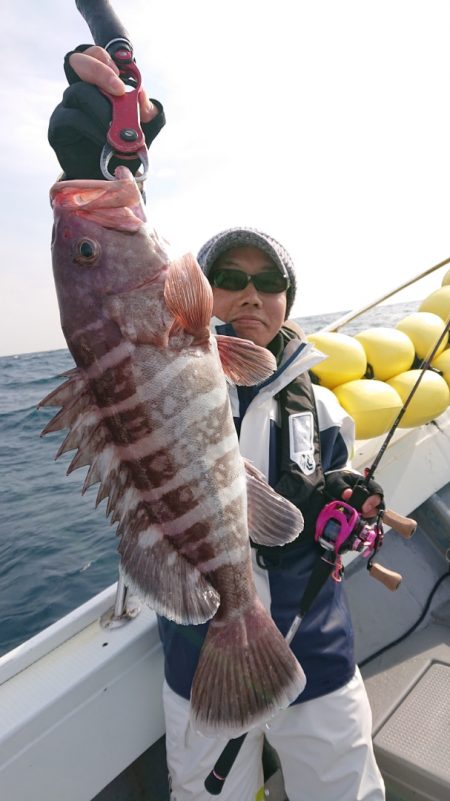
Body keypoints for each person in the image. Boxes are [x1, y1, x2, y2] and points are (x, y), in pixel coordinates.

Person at [49, 46, 386, 801]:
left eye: (269, 284)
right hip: (201, 662)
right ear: (198, 292)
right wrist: (94, 167)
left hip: (320, 658)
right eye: (230, 279)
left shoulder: (326, 408)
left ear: (289, 306)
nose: (251, 295)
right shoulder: (184, 348)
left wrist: (343, 513)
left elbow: (341, 535)